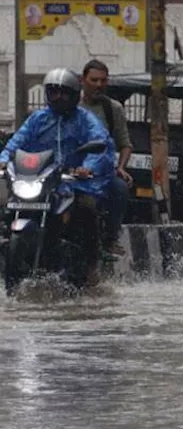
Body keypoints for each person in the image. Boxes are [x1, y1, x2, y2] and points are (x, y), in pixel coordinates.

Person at [0, 68, 116, 280]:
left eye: (63, 93)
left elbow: (101, 146)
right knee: (7, 208)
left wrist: (87, 167)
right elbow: (17, 142)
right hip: (40, 180)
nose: (58, 97)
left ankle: (91, 265)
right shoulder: (38, 119)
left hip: (73, 183)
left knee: (86, 209)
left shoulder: (86, 120)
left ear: (74, 94)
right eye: (53, 92)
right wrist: (3, 160)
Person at [80, 59, 132, 259]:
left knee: (120, 188)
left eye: (103, 80)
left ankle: (110, 238)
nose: (98, 85)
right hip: (71, 170)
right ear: (82, 80)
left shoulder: (113, 109)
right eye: (94, 80)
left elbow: (125, 143)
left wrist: (121, 167)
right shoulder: (70, 107)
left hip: (101, 172)